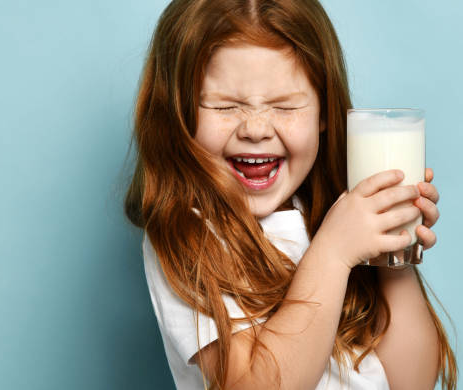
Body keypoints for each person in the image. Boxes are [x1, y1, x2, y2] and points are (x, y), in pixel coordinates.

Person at [124, 0, 457, 389]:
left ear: (323, 114)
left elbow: (412, 381)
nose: (256, 128)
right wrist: (332, 253)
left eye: (284, 106)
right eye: (225, 105)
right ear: (178, 115)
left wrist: (392, 254)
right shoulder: (192, 233)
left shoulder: (328, 215)